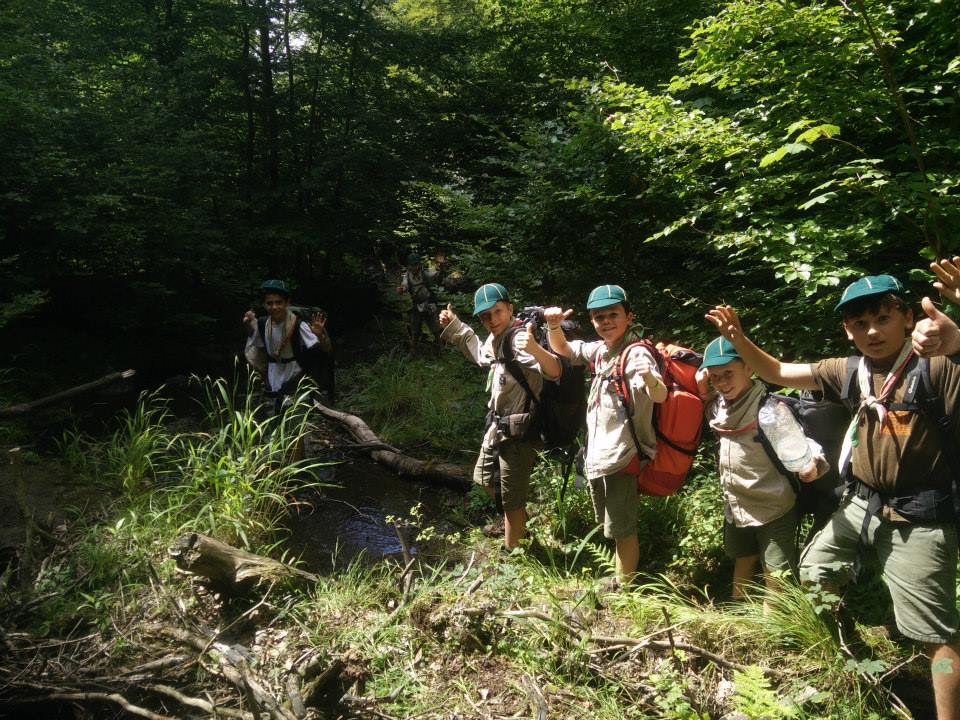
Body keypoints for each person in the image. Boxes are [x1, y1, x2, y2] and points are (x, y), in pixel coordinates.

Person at [706, 274, 960, 720]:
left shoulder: (937, 365)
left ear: (906, 316)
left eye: (883, 318)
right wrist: (739, 339)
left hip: (919, 513)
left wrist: (957, 340)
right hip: (862, 503)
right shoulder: (850, 370)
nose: (873, 332)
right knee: (815, 571)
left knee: (936, 634)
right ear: (848, 330)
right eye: (860, 323)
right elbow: (778, 373)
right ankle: (847, 656)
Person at [543, 285, 667, 585]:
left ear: (629, 316)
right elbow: (565, 350)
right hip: (603, 454)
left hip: (624, 455)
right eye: (599, 317)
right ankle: (619, 578)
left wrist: (649, 378)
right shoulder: (601, 351)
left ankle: (624, 591)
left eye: (613, 314)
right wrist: (553, 326)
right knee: (612, 526)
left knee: (623, 529)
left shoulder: (636, 352)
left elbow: (659, 395)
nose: (606, 322)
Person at [695, 336, 826, 601]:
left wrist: (813, 464)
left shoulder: (767, 410)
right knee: (743, 556)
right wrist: (702, 390)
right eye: (715, 377)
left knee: (775, 572)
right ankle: (738, 606)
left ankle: (773, 628)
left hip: (774, 506)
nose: (722, 382)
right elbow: (710, 410)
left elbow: (802, 444)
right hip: (737, 504)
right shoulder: (721, 405)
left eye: (728, 373)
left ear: (749, 368)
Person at [438, 283, 561, 550]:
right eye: (486, 316)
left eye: (498, 312)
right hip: (498, 429)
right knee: (483, 480)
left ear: (510, 309)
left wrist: (537, 349)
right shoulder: (497, 339)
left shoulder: (518, 339)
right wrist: (455, 323)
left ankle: (514, 553)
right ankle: (518, 525)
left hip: (520, 433)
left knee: (510, 500)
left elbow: (554, 371)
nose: (492, 320)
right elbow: (481, 354)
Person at [243, 279, 332, 416]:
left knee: (295, 415)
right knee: (274, 416)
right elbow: (258, 347)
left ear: (287, 303)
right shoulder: (262, 324)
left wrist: (319, 335)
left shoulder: (298, 325)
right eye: (270, 303)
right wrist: (248, 325)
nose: (274, 307)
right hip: (272, 375)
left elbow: (324, 350)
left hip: (294, 374)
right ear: (264, 305)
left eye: (279, 303)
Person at [398, 253, 445, 353]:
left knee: (435, 328)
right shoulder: (407, 276)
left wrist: (441, 267)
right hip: (416, 306)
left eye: (415, 265)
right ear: (408, 266)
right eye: (411, 265)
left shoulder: (425, 273)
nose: (413, 267)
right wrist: (402, 289)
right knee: (415, 330)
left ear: (419, 265)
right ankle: (413, 351)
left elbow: (436, 277)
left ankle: (440, 349)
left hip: (428, 304)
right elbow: (404, 285)